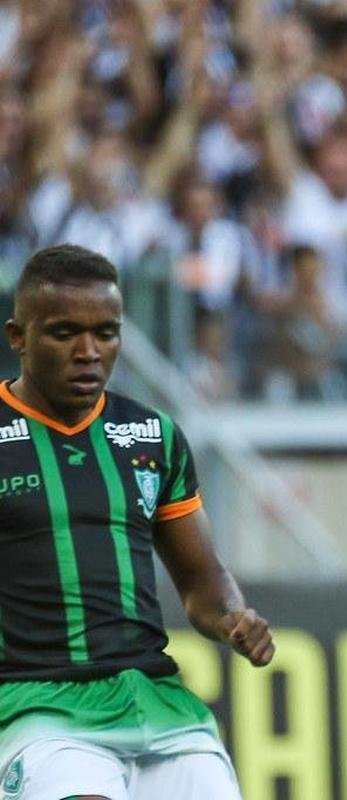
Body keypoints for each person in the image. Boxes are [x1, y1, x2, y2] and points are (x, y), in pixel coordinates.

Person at [0, 244, 273, 799]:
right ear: (17, 336)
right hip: (38, 705)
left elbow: (201, 582)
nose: (89, 352)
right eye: (63, 333)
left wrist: (233, 618)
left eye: (106, 332)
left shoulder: (153, 436)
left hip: (157, 697)